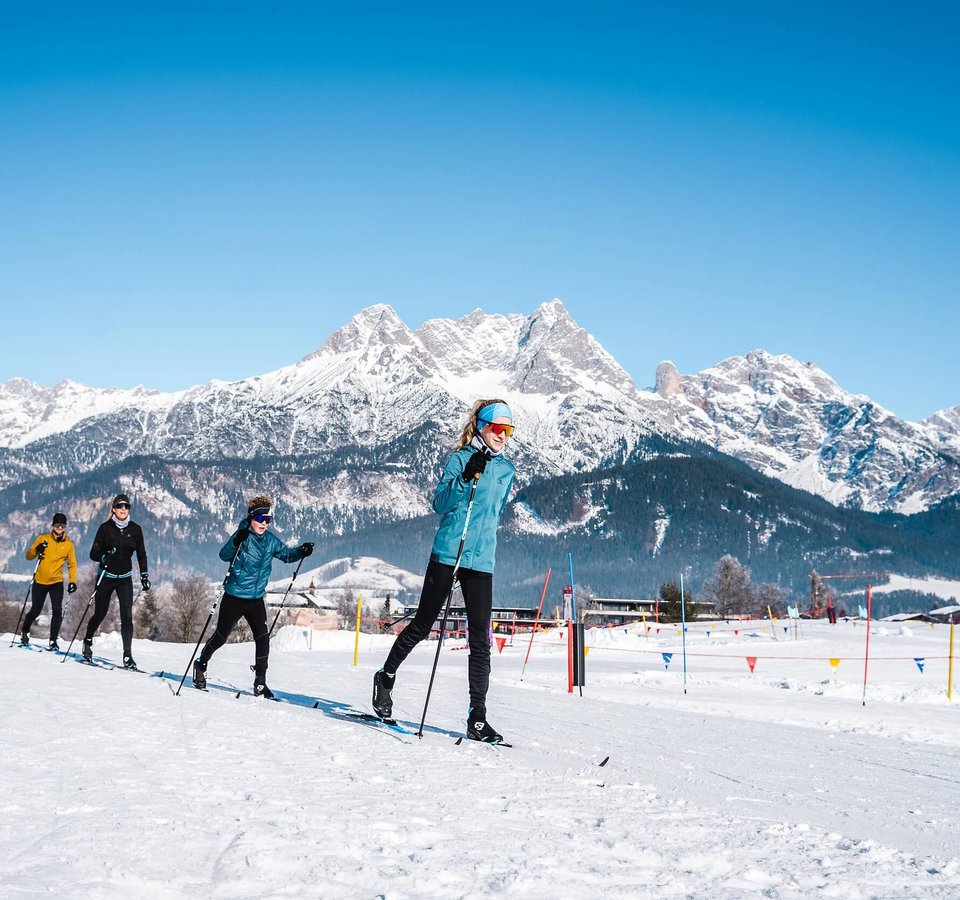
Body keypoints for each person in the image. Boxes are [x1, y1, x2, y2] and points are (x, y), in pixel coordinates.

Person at [372, 399, 516, 743]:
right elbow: (440, 503)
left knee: (481, 639)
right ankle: (386, 676)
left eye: (508, 431)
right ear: (481, 426)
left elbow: (494, 513)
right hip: (450, 552)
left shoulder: (506, 470)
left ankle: (477, 717)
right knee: (423, 624)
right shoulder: (460, 459)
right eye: (497, 428)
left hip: (481, 561)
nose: (503, 436)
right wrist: (467, 476)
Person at [192, 495, 314, 699]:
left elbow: (287, 555)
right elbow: (224, 555)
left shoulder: (270, 541)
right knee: (221, 637)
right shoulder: (242, 536)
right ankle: (201, 663)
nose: (264, 523)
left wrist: (302, 551)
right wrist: (235, 541)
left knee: (263, 639)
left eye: (268, 519)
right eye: (260, 518)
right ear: (251, 518)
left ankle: (260, 682)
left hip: (256, 598)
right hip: (234, 596)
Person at [84, 493, 150, 669]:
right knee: (100, 613)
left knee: (127, 617)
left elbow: (141, 554)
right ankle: (88, 640)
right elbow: (93, 554)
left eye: (126, 506)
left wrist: (144, 575)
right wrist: (105, 556)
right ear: (113, 509)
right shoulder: (105, 528)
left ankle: (127, 656)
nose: (123, 509)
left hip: (125, 579)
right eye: (120, 506)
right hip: (106, 577)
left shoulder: (135, 530)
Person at [21, 512, 78, 650]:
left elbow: (72, 564)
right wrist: (37, 550)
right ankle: (25, 630)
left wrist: (72, 581)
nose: (59, 527)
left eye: (62, 525)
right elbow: (28, 556)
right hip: (40, 580)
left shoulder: (68, 545)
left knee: (57, 610)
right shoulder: (43, 539)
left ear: (65, 527)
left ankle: (53, 640)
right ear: (53, 525)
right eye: (57, 524)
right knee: (35, 610)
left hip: (56, 581)